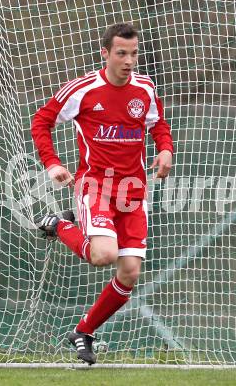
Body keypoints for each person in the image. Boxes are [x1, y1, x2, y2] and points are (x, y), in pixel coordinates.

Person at [31, 22, 173, 365]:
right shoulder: (84, 90)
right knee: (104, 255)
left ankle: (83, 332)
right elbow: (41, 121)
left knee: (130, 273)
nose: (128, 60)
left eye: (134, 53)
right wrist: (52, 164)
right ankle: (60, 225)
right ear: (105, 54)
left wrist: (166, 149)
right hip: (95, 187)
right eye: (121, 53)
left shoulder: (145, 89)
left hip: (134, 193)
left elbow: (158, 125)